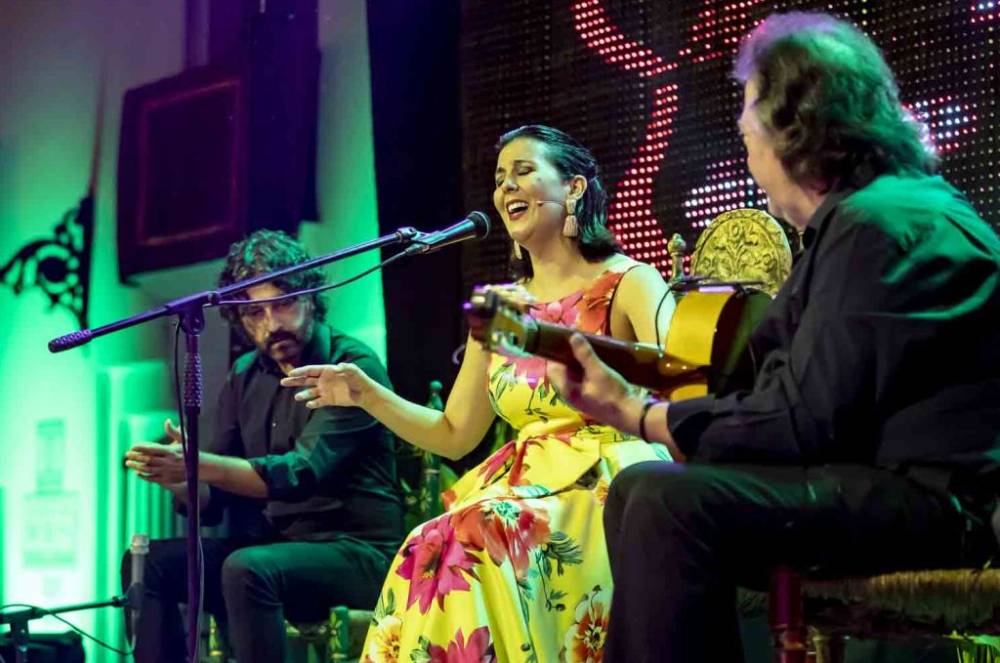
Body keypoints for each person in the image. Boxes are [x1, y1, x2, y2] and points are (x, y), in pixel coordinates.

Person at [545, 12, 1000, 662]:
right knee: (640, 492)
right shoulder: (898, 210)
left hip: (937, 508)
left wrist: (639, 414)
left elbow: (803, 420)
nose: (743, 135)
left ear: (800, 125)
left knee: (661, 499)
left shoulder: (878, 225)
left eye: (752, 110)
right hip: (901, 488)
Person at [282, 125, 676, 662]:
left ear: (576, 189)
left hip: (611, 480)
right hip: (520, 488)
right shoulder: (498, 308)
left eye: (523, 171)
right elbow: (452, 433)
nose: (506, 187)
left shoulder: (629, 281)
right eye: (498, 178)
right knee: (430, 540)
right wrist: (366, 394)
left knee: (477, 529)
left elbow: (684, 391)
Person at [121, 229, 404, 663]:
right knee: (151, 562)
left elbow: (299, 472)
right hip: (274, 551)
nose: (273, 324)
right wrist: (179, 478)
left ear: (310, 295)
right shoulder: (245, 374)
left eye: (284, 304)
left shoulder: (352, 367)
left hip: (358, 554)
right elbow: (212, 500)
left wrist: (199, 464)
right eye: (255, 313)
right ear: (241, 320)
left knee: (247, 568)